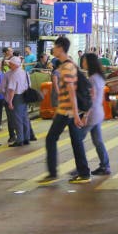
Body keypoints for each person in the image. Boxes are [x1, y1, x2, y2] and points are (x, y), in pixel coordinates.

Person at [39, 36, 91, 184]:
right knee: (76, 141)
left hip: (67, 111)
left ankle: (54, 173)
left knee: (51, 139)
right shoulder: (67, 65)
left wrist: (75, 114)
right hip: (66, 111)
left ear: (60, 48)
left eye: (54, 47)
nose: (52, 49)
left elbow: (71, 92)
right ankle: (83, 172)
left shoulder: (67, 67)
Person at [82, 53, 111, 176]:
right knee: (98, 141)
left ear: (89, 63)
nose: (82, 63)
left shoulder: (92, 79)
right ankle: (105, 166)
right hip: (99, 112)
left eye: (84, 61)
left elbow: (91, 98)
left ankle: (81, 168)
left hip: (92, 113)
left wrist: (85, 115)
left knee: (78, 139)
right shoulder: (99, 77)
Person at [4, 57, 31, 147]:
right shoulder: (25, 72)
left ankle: (19, 140)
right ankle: (26, 138)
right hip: (25, 96)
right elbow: (29, 85)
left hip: (17, 97)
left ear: (15, 65)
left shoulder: (14, 74)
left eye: (11, 64)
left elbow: (11, 89)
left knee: (17, 119)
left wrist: (10, 101)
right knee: (24, 118)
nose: (9, 65)